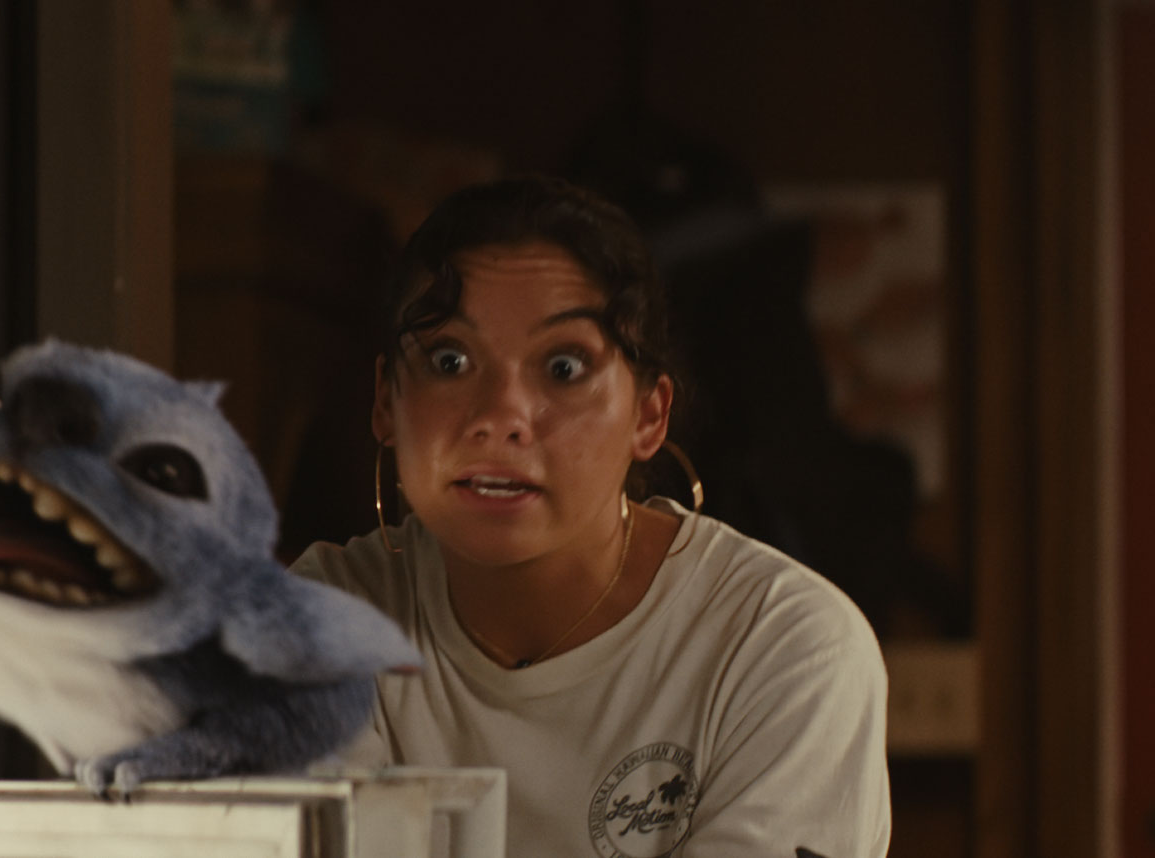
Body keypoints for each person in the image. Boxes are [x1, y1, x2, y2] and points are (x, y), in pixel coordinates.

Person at [292, 175, 890, 857]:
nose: (501, 417)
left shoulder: (783, 650)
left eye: (564, 368)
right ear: (385, 401)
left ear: (649, 415)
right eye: (450, 360)